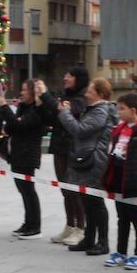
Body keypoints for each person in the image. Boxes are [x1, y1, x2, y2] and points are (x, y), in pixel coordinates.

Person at [55, 76, 118, 256]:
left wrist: (65, 113)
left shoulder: (100, 111)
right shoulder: (93, 109)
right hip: (86, 158)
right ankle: (89, 239)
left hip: (94, 160)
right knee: (87, 201)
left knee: (96, 202)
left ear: (101, 94)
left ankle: (103, 242)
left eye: (90, 91)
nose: (86, 94)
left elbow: (80, 130)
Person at [101, 92, 137, 269]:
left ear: (133, 110)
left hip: (135, 181)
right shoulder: (120, 128)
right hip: (119, 179)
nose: (119, 112)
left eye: (122, 109)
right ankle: (121, 252)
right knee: (122, 217)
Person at [49, 67, 90, 246]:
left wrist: (46, 97)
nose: (65, 78)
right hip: (59, 146)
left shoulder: (81, 99)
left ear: (78, 79)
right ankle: (70, 225)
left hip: (73, 149)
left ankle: (81, 228)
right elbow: (54, 117)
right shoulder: (65, 96)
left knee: (74, 190)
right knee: (65, 189)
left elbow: (72, 119)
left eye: (69, 75)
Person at [0, 79, 44, 239]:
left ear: (32, 92)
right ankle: (28, 222)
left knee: (28, 190)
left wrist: (4, 107)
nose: (21, 93)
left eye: (25, 90)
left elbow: (20, 126)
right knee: (22, 189)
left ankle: (35, 226)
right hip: (17, 154)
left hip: (27, 155)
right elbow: (11, 127)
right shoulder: (22, 108)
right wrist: (13, 120)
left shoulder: (36, 110)